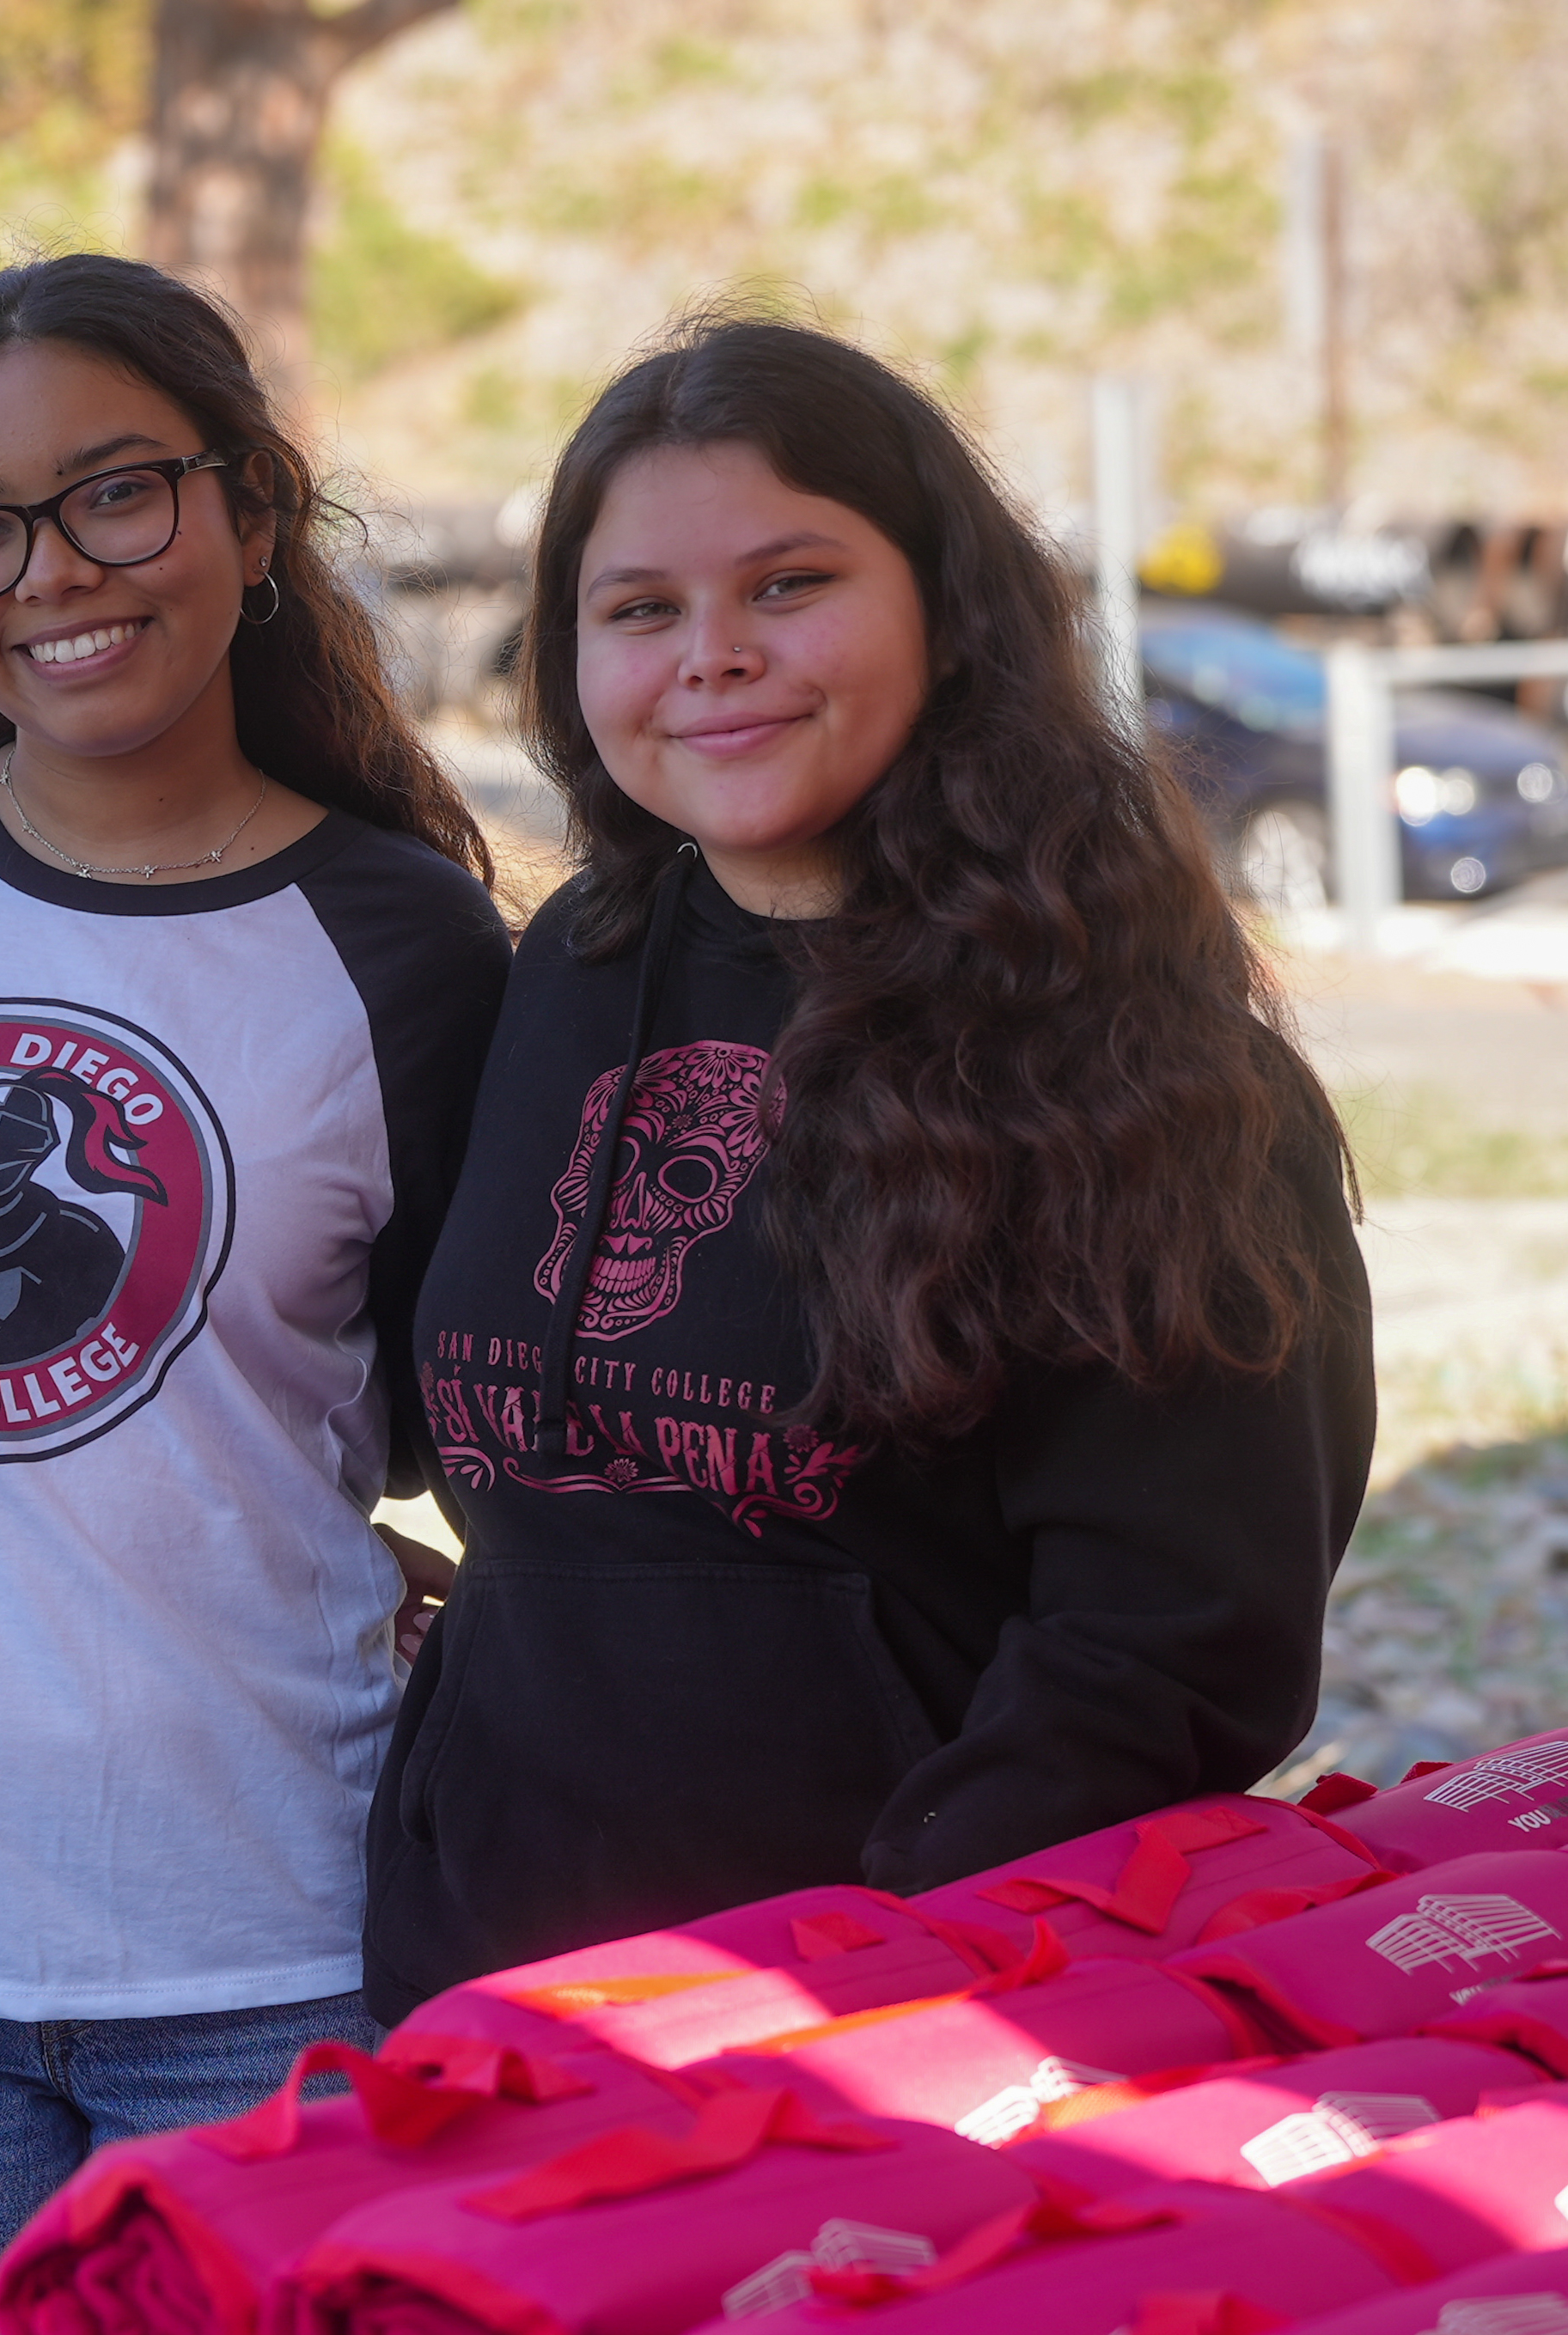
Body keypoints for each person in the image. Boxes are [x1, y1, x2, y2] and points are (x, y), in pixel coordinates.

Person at [372, 314, 1376, 2010]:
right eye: (639, 609)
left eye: (787, 584)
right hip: (479, 2010)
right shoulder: (565, 973)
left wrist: (862, 1972)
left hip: (884, 2039)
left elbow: (1170, 1658)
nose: (711, 654)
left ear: (941, 605)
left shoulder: (1141, 1067)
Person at [0, 251, 516, 2332]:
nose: (50, 568)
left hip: (262, 1949)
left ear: (250, 511)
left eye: (117, 492)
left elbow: (425, 1414)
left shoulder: (405, 938)